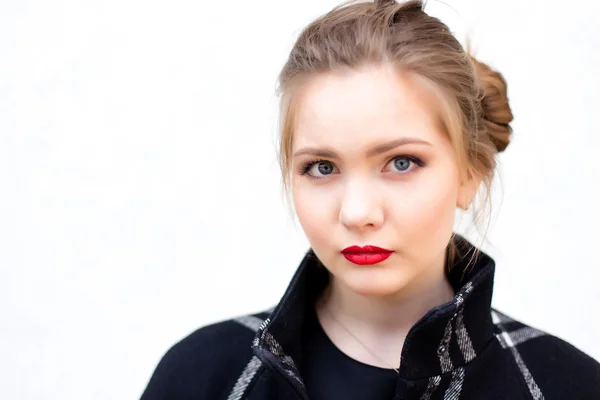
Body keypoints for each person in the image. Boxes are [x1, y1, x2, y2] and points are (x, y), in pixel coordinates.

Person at [140, 0, 600, 399]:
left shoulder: (566, 386)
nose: (357, 213)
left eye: (401, 162)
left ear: (470, 172)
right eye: (322, 167)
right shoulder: (202, 377)